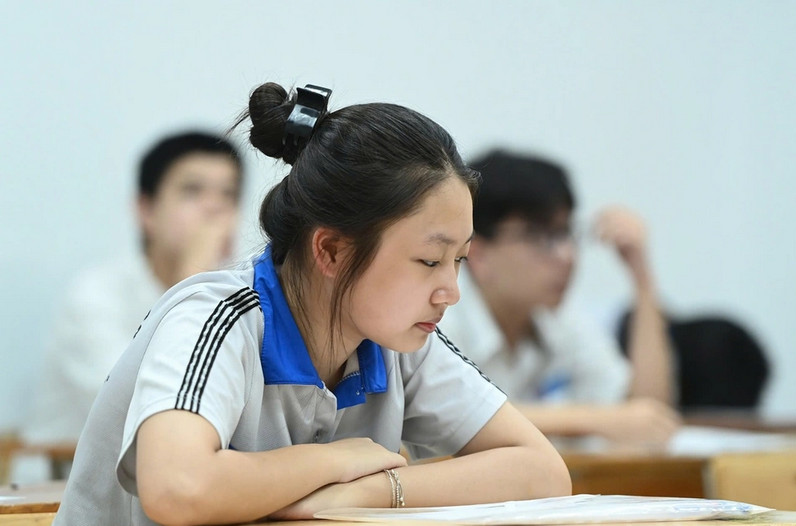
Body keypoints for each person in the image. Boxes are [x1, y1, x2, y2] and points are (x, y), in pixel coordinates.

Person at [54, 83, 571, 525]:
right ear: (331, 251)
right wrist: (339, 460)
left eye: (459, 260)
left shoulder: (397, 339)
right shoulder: (218, 317)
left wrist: (373, 489)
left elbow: (542, 470)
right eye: (430, 260)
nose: (451, 291)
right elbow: (178, 487)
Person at [438, 150, 680, 445]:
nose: (567, 255)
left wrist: (642, 279)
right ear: (478, 254)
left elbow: (648, 418)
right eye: (539, 236)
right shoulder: (441, 317)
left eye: (566, 233)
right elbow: (454, 415)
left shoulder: (559, 317)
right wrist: (593, 420)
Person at [24, 131, 244, 446]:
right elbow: (138, 412)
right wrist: (192, 283)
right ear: (146, 210)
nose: (215, 208)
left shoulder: (241, 293)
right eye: (192, 191)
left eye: (228, 194)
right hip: (62, 472)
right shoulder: (95, 295)